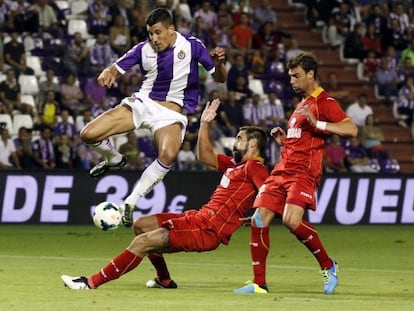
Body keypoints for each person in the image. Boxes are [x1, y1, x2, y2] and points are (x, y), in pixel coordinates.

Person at [60, 99, 269, 290]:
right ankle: (164, 279)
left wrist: (261, 214)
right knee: (141, 224)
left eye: (239, 139)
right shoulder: (235, 165)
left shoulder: (255, 168)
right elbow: (204, 155)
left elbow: (268, 192)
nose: (234, 143)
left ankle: (90, 283)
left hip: (208, 230)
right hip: (198, 218)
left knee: (142, 243)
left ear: (252, 144)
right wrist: (205, 124)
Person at [80, 8, 227, 228]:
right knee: (88, 134)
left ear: (171, 29)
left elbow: (220, 78)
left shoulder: (193, 45)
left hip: (170, 114)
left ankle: (130, 203)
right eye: (150, 34)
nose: (154, 39)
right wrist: (109, 71)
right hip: (142, 104)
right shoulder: (143, 49)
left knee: (168, 154)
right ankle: (113, 159)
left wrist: (220, 63)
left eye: (158, 33)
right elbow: (118, 66)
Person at [233, 52, 358, 295]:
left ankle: (328, 265)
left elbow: (350, 129)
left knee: (291, 220)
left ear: (311, 74)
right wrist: (285, 140)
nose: (292, 80)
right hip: (282, 169)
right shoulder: (301, 104)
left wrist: (317, 124)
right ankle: (259, 284)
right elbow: (304, 139)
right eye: (290, 76)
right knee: (259, 219)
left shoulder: (324, 102)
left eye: (296, 76)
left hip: (303, 171)